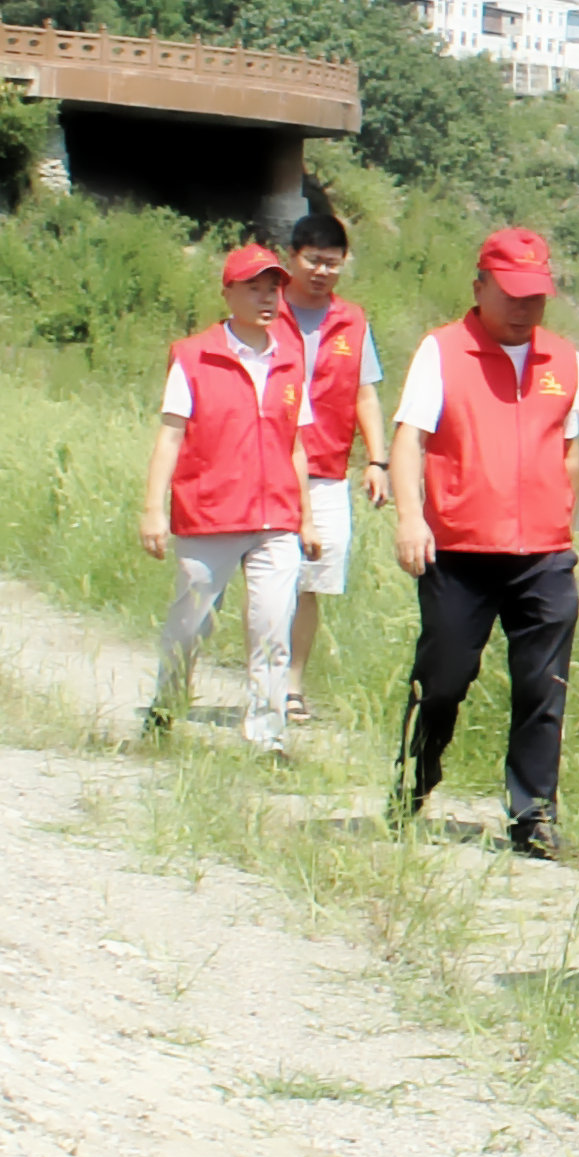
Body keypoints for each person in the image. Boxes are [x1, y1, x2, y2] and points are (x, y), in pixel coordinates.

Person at [386, 226, 579, 857]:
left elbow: (571, 448)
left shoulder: (563, 357)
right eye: (510, 294)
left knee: (543, 686)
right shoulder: (443, 351)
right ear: (480, 288)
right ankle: (414, 783)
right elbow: (410, 439)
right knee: (443, 679)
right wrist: (409, 518)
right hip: (458, 551)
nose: (524, 308)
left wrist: (564, 522)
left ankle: (533, 816)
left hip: (543, 555)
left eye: (535, 296)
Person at [139, 244, 319, 753]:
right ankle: (166, 708)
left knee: (271, 627)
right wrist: (153, 510)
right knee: (190, 624)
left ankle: (268, 737)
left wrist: (304, 518)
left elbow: (297, 445)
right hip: (209, 513)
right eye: (254, 288)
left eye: (274, 289)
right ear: (229, 293)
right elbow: (170, 436)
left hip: (275, 516)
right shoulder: (195, 356)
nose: (267, 299)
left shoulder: (290, 359)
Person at [281, 208, 387, 725]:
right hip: (264, 463)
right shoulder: (265, 308)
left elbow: (365, 392)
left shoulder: (353, 321)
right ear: (292, 259)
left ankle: (292, 685)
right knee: (261, 577)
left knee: (312, 581)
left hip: (326, 467)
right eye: (313, 260)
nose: (322, 271)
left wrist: (377, 459)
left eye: (332, 262)